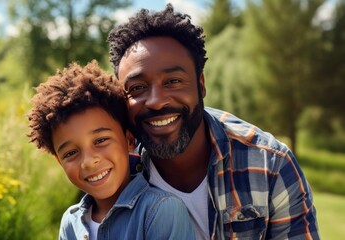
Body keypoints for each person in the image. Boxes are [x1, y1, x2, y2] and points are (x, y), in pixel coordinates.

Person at [108, 4, 319, 239]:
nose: (156, 102)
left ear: (201, 85)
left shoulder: (271, 165)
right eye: (137, 88)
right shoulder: (112, 168)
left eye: (173, 81)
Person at [27, 60, 196, 240]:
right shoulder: (70, 222)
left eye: (100, 140)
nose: (89, 161)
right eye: (70, 153)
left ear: (129, 140)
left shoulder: (161, 211)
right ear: (59, 161)